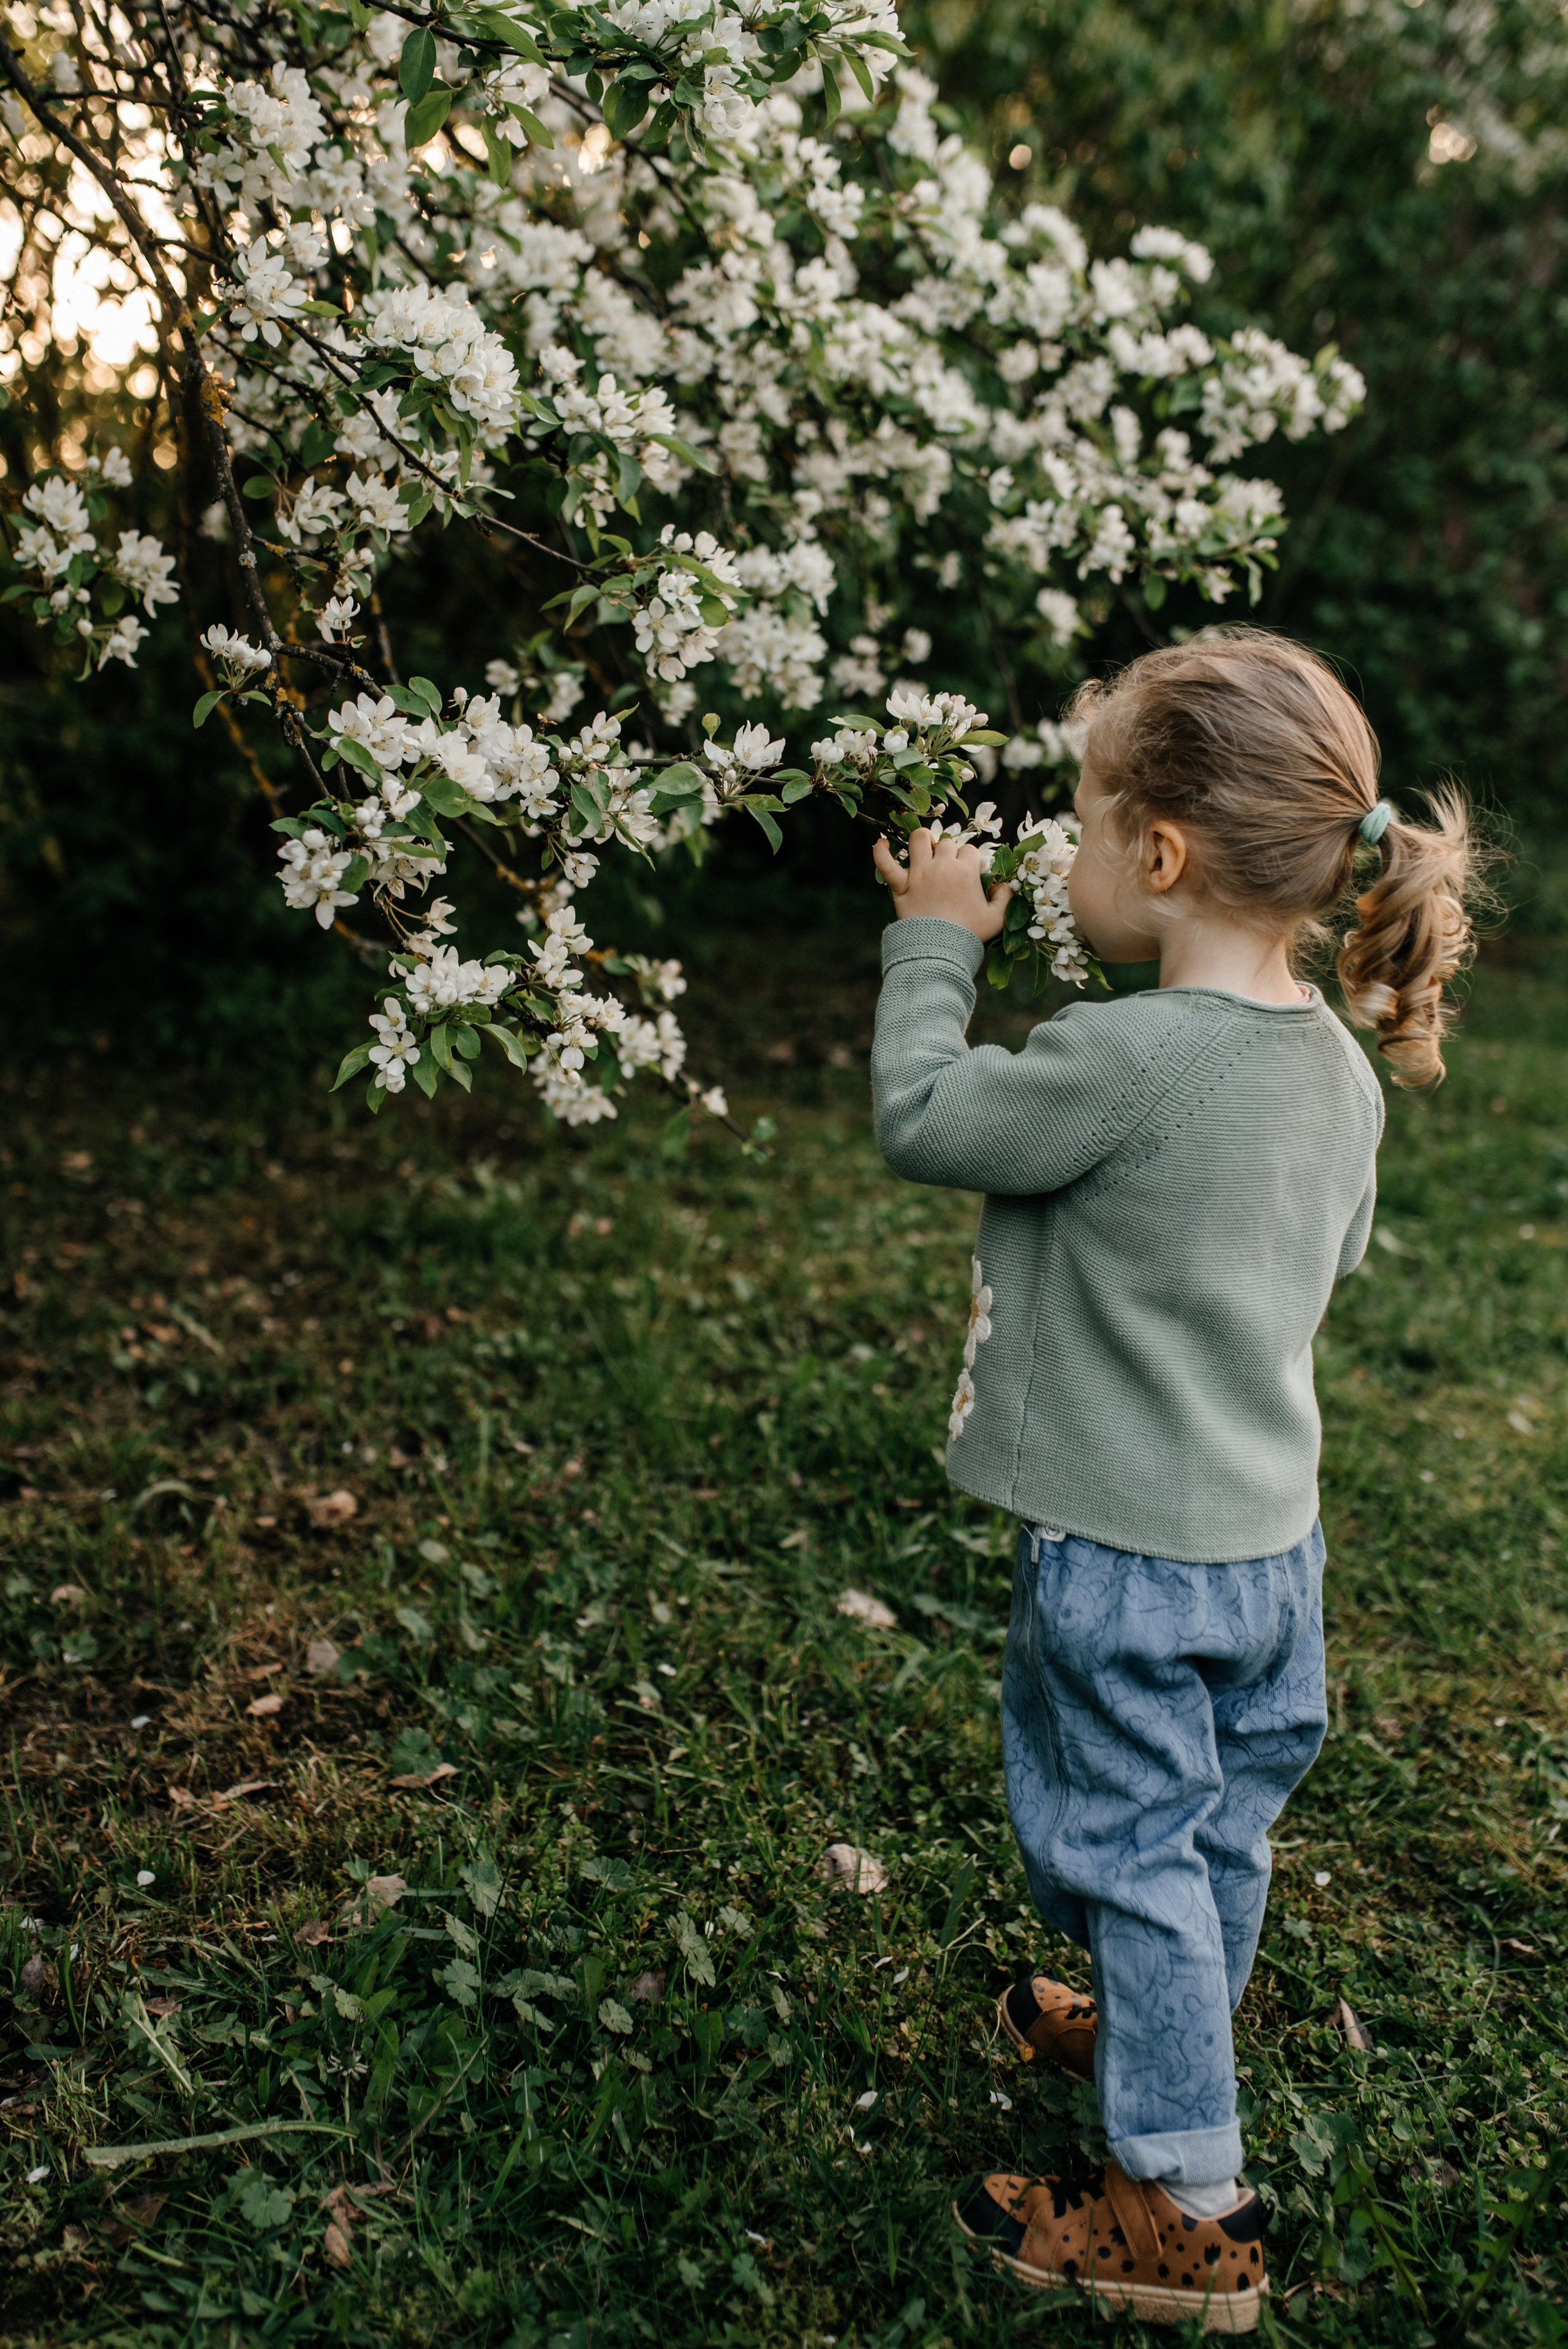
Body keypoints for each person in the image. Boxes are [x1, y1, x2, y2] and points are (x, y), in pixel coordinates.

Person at [869, 630, 1476, 2334]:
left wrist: (934, 938)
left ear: (1157, 856)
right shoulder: (1339, 1073)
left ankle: (1185, 2210)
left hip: (1134, 1554)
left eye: (1078, 825)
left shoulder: (1125, 1061)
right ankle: (1165, 2013)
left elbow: (924, 1115)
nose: (1062, 860)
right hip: (1272, 1550)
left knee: (1128, 1842)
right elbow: (1327, 1258)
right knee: (1214, 1830)